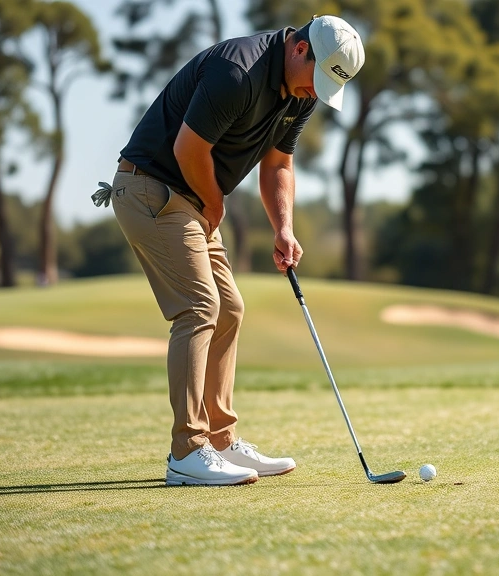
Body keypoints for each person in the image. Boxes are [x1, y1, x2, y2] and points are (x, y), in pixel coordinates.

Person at [92, 15, 365, 486]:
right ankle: (187, 451)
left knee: (230, 309)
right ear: (299, 48)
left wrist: (284, 228)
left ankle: (220, 441)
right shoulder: (238, 72)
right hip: (151, 190)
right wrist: (215, 204)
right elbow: (188, 149)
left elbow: (278, 164)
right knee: (200, 307)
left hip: (194, 199)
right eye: (316, 79)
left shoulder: (301, 93)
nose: (315, 93)